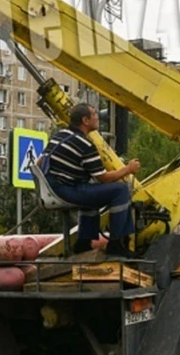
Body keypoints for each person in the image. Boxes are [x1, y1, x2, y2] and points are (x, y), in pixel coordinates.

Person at [40, 103, 141, 257]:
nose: (97, 117)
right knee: (120, 190)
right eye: (94, 115)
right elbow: (104, 178)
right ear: (85, 120)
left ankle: (84, 242)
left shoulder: (60, 135)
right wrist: (128, 169)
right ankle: (116, 244)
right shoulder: (85, 145)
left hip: (54, 188)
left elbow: (39, 162)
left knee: (91, 191)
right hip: (66, 191)